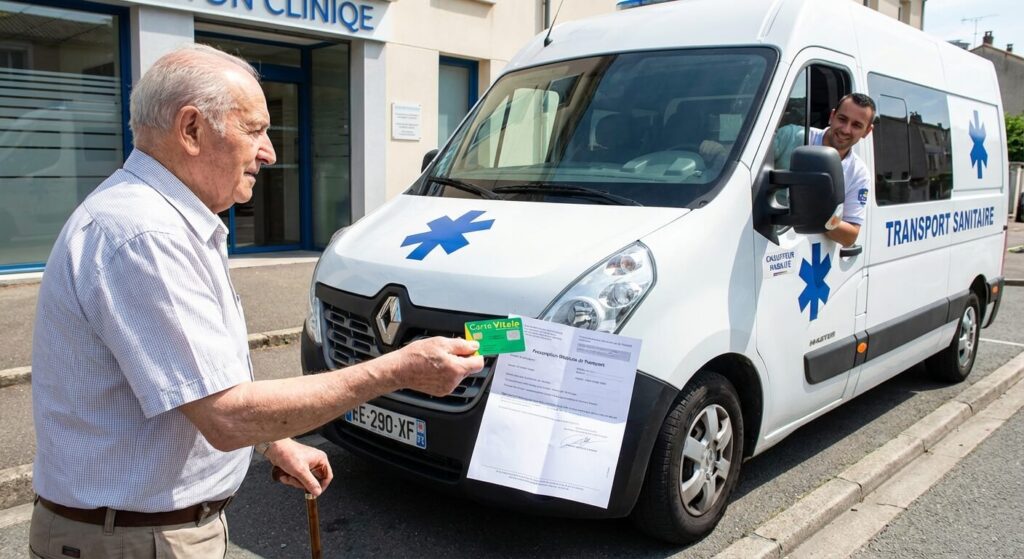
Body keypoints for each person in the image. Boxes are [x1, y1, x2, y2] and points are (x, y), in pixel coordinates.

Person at [29, 43, 483, 558]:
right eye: (254, 129)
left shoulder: (167, 222)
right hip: (132, 540)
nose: (269, 151)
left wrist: (272, 442)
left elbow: (186, 380)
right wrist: (394, 370)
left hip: (146, 532)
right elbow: (226, 415)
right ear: (192, 129)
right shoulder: (145, 235)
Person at [701, 92, 876, 246]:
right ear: (832, 116)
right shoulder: (792, 136)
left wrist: (819, 215)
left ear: (867, 131)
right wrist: (718, 153)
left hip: (803, 250)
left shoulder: (858, 173)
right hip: (757, 234)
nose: (846, 129)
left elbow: (850, 236)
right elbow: (744, 168)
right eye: (842, 119)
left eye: (856, 125)